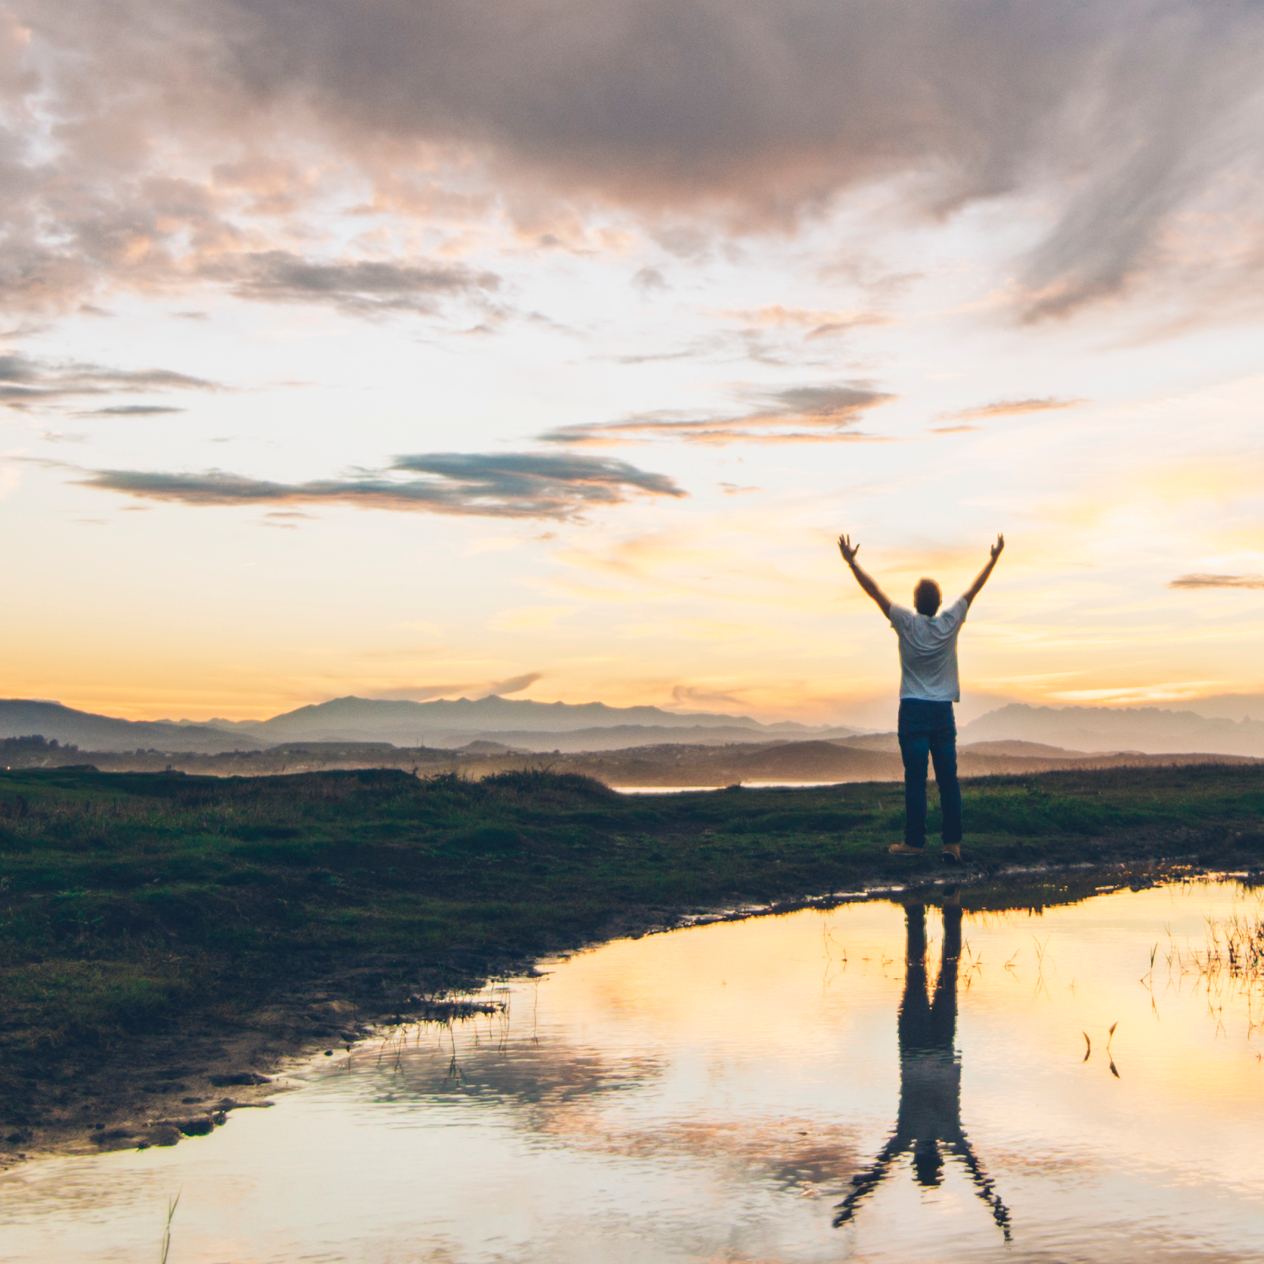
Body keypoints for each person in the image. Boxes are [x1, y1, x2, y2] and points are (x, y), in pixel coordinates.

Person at [834, 897, 1011, 1238]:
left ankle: (944, 910)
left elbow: (973, 1172)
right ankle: (921, 912)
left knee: (945, 970)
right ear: (919, 1159)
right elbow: (881, 1170)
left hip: (934, 1043)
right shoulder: (917, 1137)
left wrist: (996, 1207)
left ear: (934, 1160)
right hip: (920, 1044)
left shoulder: (942, 1136)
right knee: (920, 971)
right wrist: (852, 1202)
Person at [838, 533, 1004, 862]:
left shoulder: (905, 622)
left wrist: (852, 562)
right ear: (940, 603)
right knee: (947, 779)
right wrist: (993, 558)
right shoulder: (950, 621)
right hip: (942, 711)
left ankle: (914, 842)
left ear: (915, 603)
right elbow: (974, 588)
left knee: (915, 779)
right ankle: (952, 845)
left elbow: (874, 592)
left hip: (912, 710)